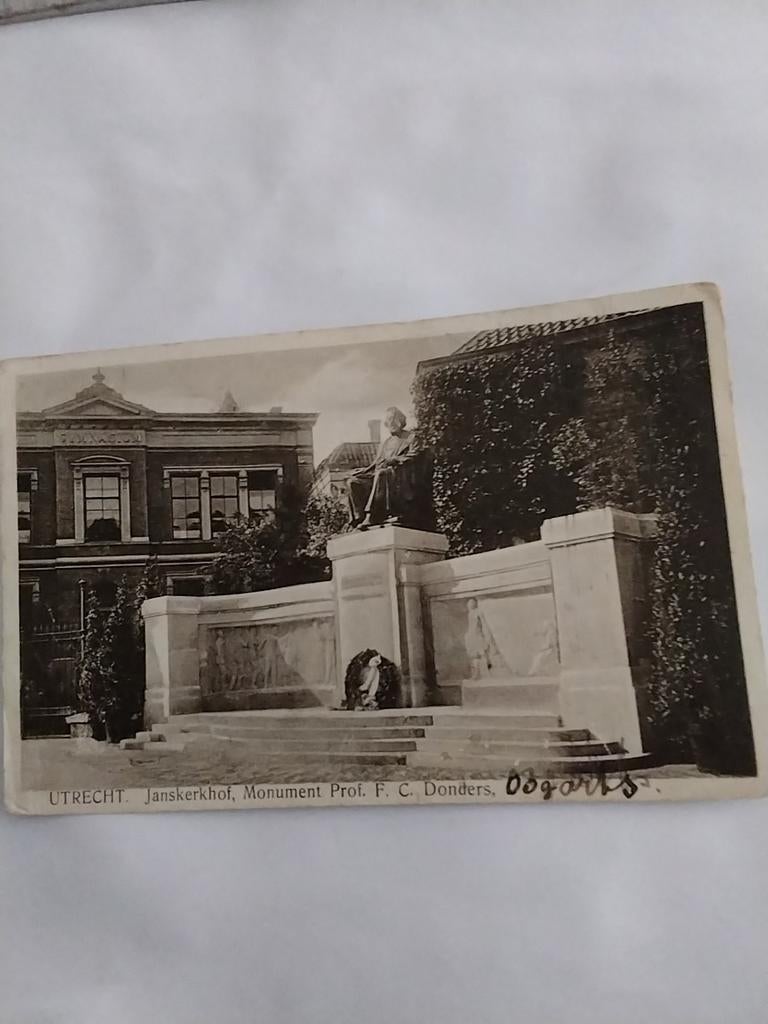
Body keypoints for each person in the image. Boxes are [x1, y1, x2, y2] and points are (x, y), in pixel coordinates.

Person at [347, 406, 427, 530]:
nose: (391, 423)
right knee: (353, 481)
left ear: (400, 421)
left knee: (382, 474)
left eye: (394, 419)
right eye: (389, 420)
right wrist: (363, 471)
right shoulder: (386, 443)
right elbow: (376, 464)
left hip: (402, 479)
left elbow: (415, 457)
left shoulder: (412, 438)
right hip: (382, 477)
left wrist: (395, 460)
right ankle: (358, 518)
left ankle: (372, 515)